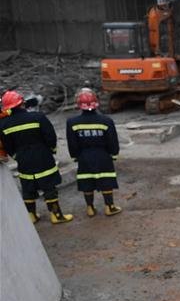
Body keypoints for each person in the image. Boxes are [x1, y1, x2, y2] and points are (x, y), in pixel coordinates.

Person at [0, 89, 72, 224]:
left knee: (28, 188)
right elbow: (50, 136)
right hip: (43, 157)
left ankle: (32, 216)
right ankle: (56, 215)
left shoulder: (3, 124)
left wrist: (17, 156)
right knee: (49, 187)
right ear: (22, 104)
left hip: (23, 160)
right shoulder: (38, 117)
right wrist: (52, 150)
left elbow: (8, 145)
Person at [65, 89, 121, 217]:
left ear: (79, 104)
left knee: (87, 181)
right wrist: (114, 153)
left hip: (84, 156)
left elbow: (72, 143)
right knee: (106, 179)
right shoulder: (106, 121)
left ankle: (90, 208)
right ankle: (109, 207)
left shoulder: (72, 122)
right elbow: (112, 140)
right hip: (103, 155)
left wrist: (75, 155)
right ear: (96, 103)